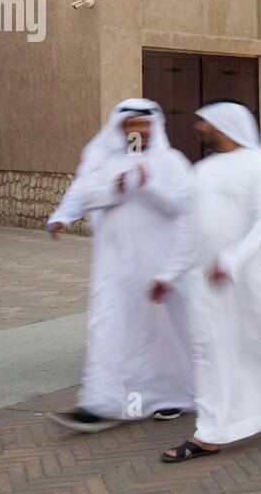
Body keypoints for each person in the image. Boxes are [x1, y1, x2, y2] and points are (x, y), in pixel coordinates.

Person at [155, 101, 261, 462]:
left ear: (224, 127)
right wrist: (167, 274)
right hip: (206, 283)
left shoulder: (260, 166)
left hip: (253, 279)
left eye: (203, 124)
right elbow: (188, 230)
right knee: (207, 351)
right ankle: (210, 432)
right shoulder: (201, 170)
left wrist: (233, 260)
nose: (197, 129)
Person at [45, 100, 195, 432]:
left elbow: (181, 205)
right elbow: (82, 192)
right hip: (112, 267)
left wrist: (147, 184)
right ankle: (101, 402)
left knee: (162, 333)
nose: (137, 131)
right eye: (130, 126)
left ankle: (172, 396)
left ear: (154, 127)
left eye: (143, 125)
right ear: (120, 129)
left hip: (157, 266)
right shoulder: (105, 160)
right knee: (107, 327)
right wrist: (62, 217)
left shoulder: (171, 162)